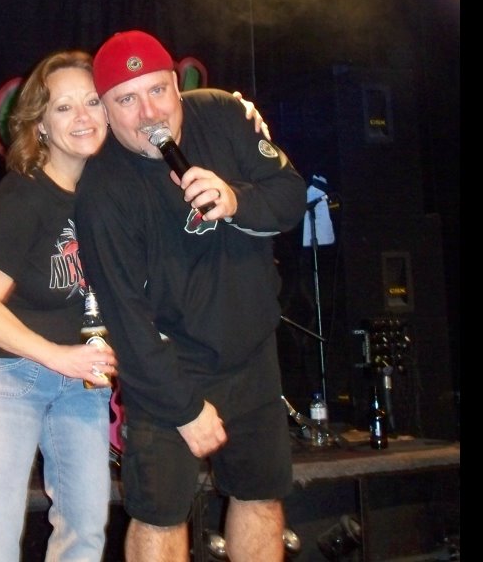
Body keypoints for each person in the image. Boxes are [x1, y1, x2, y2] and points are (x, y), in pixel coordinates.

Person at [0, 48, 268, 561]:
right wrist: (59, 357)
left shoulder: (108, 186)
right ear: (40, 124)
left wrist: (235, 109)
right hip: (11, 371)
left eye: (92, 102)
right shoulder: (23, 196)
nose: (82, 117)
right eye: (63, 107)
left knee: (85, 530)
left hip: (84, 376)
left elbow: (154, 105)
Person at [74, 30, 308, 562]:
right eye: (126, 100)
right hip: (167, 366)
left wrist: (236, 200)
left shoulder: (223, 114)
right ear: (105, 111)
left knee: (260, 496)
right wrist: (183, 409)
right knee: (159, 513)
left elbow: (290, 195)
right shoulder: (103, 189)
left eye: (158, 90)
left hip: (250, 351)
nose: (148, 112)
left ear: (178, 87)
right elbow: (125, 319)